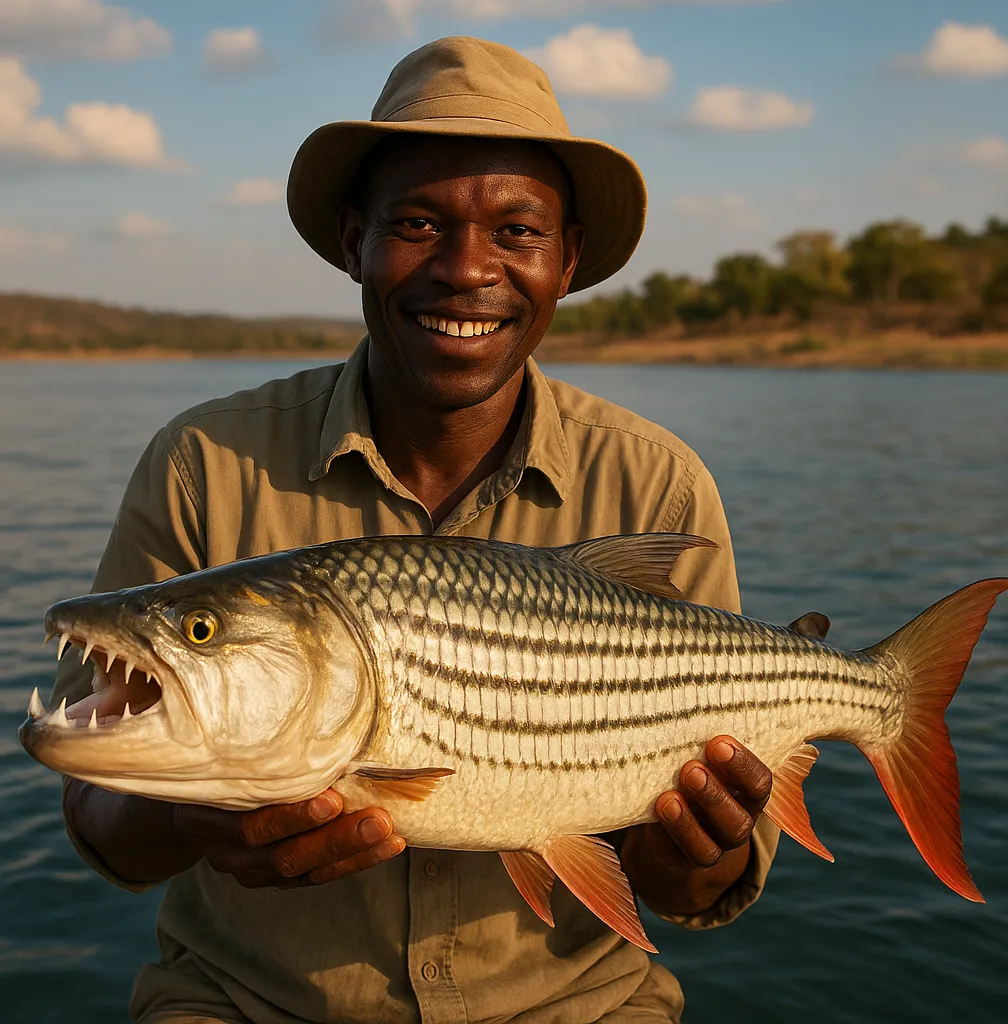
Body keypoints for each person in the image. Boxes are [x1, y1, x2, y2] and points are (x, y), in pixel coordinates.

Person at [51, 36, 779, 1024]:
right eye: (419, 222)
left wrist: (697, 842)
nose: (466, 268)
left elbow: (692, 891)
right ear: (355, 238)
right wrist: (195, 810)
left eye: (516, 232)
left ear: (566, 261)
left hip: (579, 1006)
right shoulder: (203, 461)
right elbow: (103, 821)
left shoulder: (657, 481)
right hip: (243, 1002)